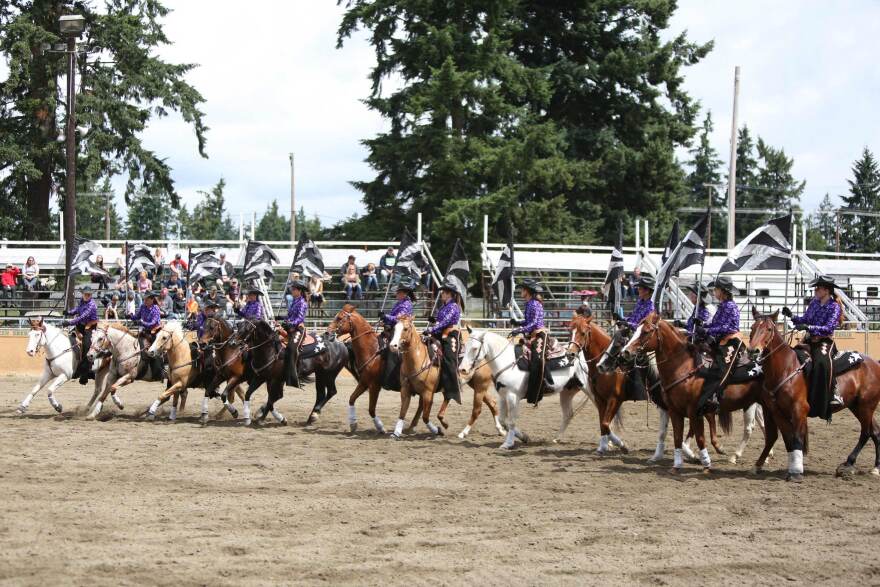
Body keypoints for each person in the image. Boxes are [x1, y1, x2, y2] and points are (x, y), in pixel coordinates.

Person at [783, 275, 845, 417]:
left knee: (822, 363)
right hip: (809, 340)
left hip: (824, 342)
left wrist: (809, 327)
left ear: (826, 290)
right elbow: (804, 319)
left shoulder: (834, 307)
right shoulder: (814, 303)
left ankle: (833, 393)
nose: (815, 290)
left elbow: (829, 328)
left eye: (818, 287)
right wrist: (792, 316)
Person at [694, 276, 741, 414]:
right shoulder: (722, 305)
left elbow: (727, 328)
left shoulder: (730, 306)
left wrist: (707, 330)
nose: (714, 291)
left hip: (731, 341)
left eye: (716, 289)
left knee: (721, 368)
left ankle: (716, 396)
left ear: (723, 291)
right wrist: (703, 324)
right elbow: (716, 324)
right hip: (720, 340)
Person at [511, 279, 550, 405]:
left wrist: (520, 329)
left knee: (537, 359)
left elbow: (533, 324)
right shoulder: (528, 303)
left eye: (522, 289)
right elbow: (529, 321)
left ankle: (542, 386)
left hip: (539, 335)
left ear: (527, 291)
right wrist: (518, 323)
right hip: (531, 335)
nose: (521, 291)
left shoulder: (534, 303)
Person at [424, 279, 462, 404]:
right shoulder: (443, 307)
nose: (441, 294)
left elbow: (446, 322)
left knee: (449, 359)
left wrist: (431, 328)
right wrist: (434, 321)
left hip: (450, 335)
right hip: (440, 333)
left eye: (444, 292)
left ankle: (452, 387)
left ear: (450, 294)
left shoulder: (454, 306)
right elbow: (441, 321)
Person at [61, 286, 98, 384]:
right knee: (69, 339)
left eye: (88, 294)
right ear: (83, 294)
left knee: (87, 347)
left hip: (89, 326)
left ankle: (85, 373)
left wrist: (69, 322)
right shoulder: (82, 301)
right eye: (85, 294)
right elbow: (77, 310)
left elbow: (82, 316)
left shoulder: (92, 305)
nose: (87, 295)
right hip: (80, 326)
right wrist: (69, 312)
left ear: (90, 295)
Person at [128, 290, 163, 377]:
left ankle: (158, 371)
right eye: (144, 299)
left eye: (147, 299)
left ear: (152, 299)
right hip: (145, 331)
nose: (145, 301)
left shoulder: (156, 308)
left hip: (154, 331)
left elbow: (153, 323)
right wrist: (131, 316)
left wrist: (142, 322)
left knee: (155, 349)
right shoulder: (143, 306)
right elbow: (137, 316)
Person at [283, 280, 308, 387]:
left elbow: (300, 318)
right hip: (289, 328)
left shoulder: (302, 302)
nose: (291, 291)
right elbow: (289, 316)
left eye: (293, 289)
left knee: (292, 348)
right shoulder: (294, 301)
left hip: (298, 329)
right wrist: (282, 320)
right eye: (292, 289)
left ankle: (294, 376)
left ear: (299, 291)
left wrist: (290, 324)